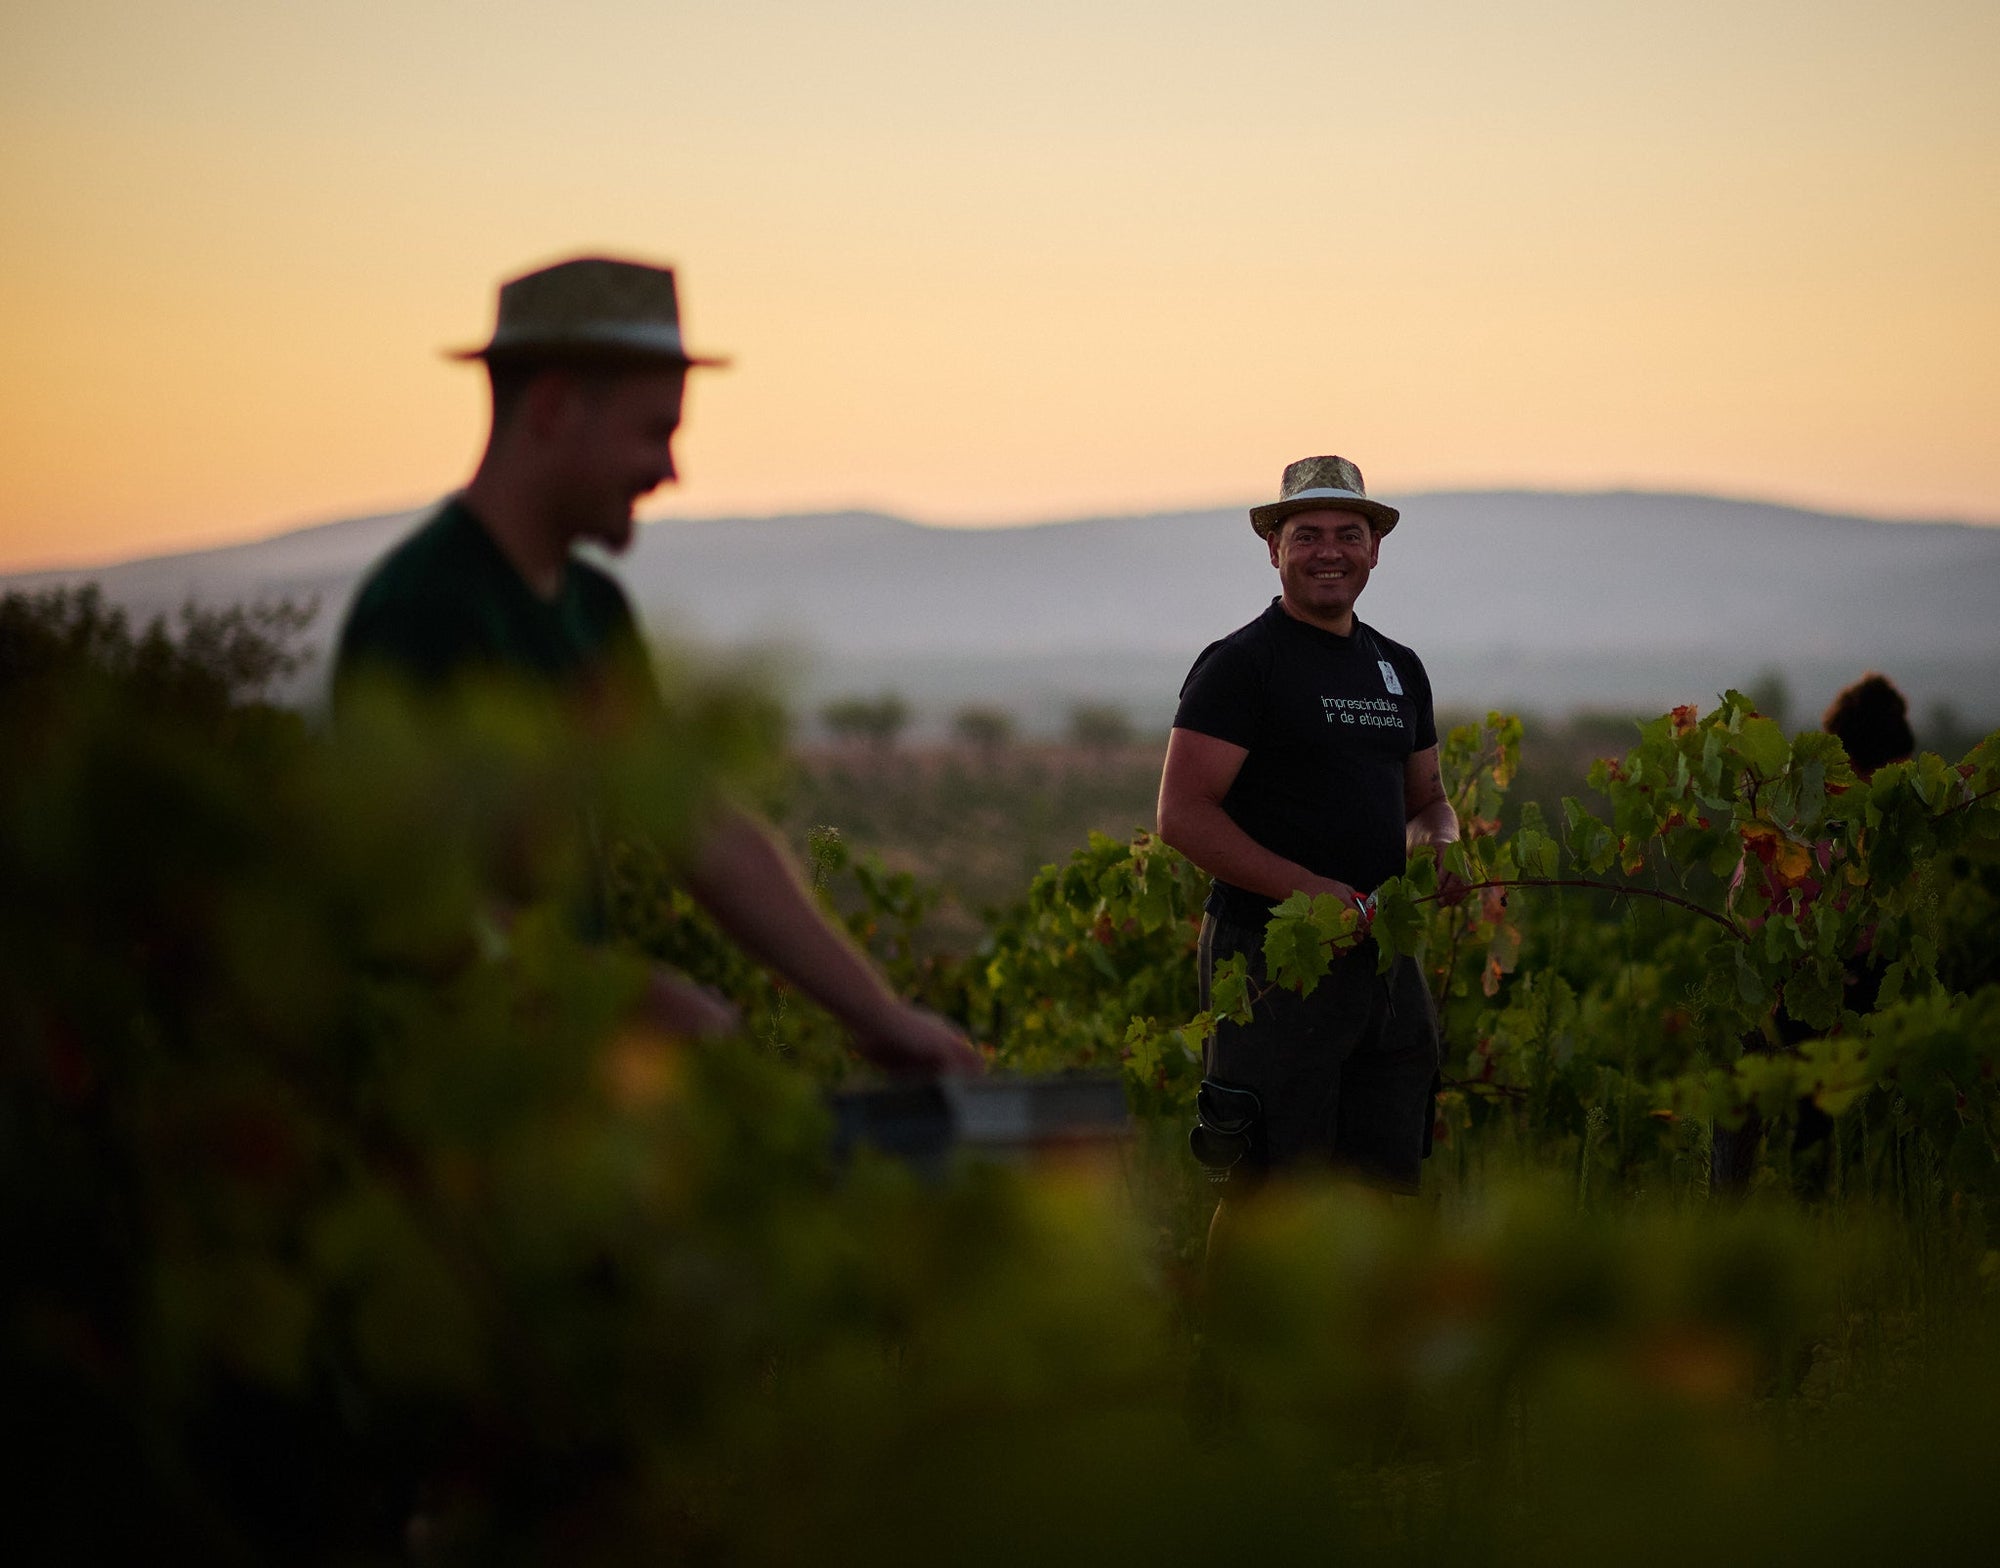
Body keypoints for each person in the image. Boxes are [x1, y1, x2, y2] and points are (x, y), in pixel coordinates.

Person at [335, 254, 981, 1077]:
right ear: (555, 406)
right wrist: (633, 1002)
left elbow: (696, 826)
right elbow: (412, 907)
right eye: (655, 431)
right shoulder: (425, 608)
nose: (669, 471)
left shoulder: (593, 612)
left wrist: (881, 1018)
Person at [1157, 455, 1463, 1197]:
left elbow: (1427, 802)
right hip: (1272, 959)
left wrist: (1444, 848)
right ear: (1275, 548)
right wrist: (1309, 892)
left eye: (1348, 533)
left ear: (1375, 548)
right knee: (1271, 1189)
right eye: (1308, 534)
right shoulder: (1242, 665)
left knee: (1386, 1182)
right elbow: (1182, 816)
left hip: (1385, 961)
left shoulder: (1399, 668)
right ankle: (1244, 1318)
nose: (1330, 551)